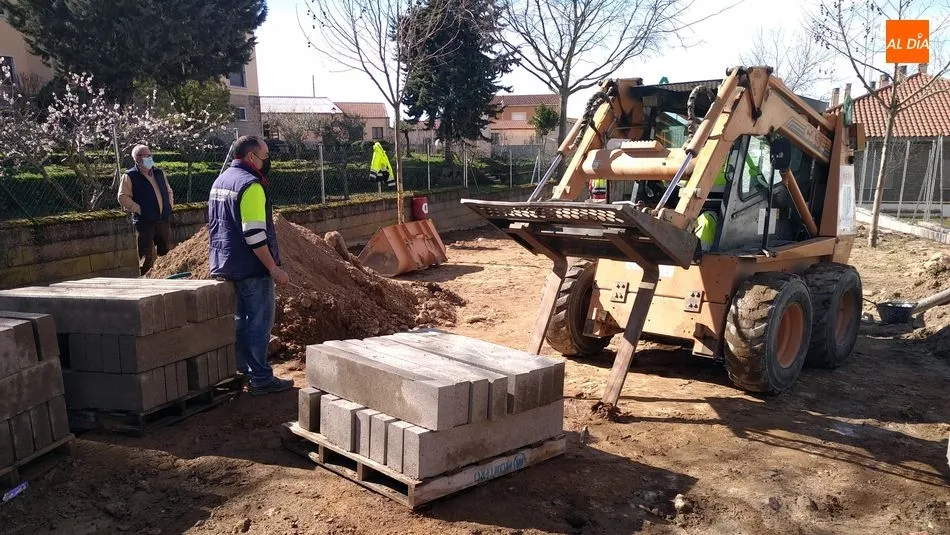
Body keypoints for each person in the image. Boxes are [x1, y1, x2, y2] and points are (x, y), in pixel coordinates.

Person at [208, 136, 293, 396]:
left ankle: (241, 372)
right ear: (251, 157)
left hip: (225, 263)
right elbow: (254, 234)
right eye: (265, 156)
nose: (268, 161)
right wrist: (273, 268)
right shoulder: (251, 186)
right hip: (251, 267)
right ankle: (261, 379)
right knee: (258, 323)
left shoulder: (221, 181)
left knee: (240, 322)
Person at [118, 144, 175, 275]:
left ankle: (166, 278)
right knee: (146, 257)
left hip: (162, 220)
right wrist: (138, 209)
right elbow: (122, 197)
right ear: (137, 158)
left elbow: (169, 190)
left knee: (166, 255)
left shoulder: (159, 173)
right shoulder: (130, 176)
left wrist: (169, 206)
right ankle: (145, 280)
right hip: (144, 222)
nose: (150, 158)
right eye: (147, 156)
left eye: (150, 155)